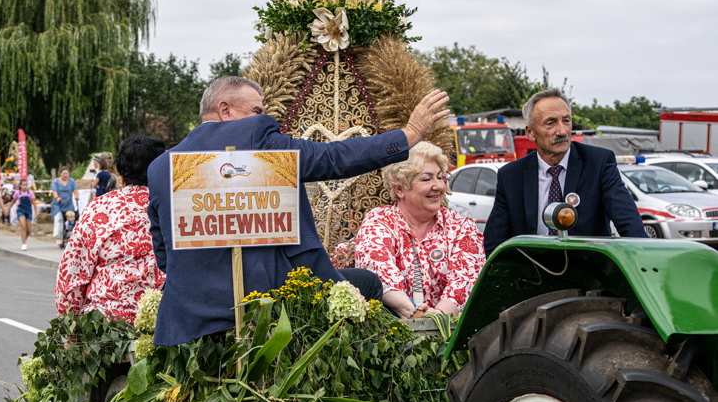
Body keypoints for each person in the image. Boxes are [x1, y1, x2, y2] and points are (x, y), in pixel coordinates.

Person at [147, 76, 450, 346]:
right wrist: (409, 134)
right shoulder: (254, 136)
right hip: (269, 312)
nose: (262, 116)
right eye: (256, 110)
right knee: (368, 282)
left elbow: (164, 258)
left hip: (188, 321)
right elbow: (333, 157)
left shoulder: (160, 168)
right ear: (225, 110)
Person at [483, 88, 646, 254]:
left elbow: (632, 229)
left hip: (587, 274)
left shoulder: (599, 164)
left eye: (566, 121)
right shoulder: (511, 176)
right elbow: (493, 246)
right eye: (550, 123)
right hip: (532, 275)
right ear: (530, 133)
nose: (561, 131)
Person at [355, 142, 486, 320]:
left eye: (441, 178)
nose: (439, 186)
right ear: (399, 188)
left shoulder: (461, 226)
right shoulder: (379, 222)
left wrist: (437, 318)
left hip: (451, 334)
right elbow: (379, 272)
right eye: (427, 179)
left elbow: (465, 281)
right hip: (393, 333)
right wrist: (412, 312)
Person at [56, 136, 167, 324]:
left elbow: (72, 274)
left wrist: (70, 327)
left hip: (106, 327)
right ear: (162, 170)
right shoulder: (175, 206)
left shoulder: (98, 209)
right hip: (165, 324)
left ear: (121, 176)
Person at [51, 167, 79, 247]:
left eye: (67, 173)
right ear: (60, 174)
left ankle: (67, 238)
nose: (65, 175)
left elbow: (75, 190)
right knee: (59, 220)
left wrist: (76, 196)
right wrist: (57, 198)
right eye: (64, 174)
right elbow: (54, 192)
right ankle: (59, 238)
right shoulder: (56, 182)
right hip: (59, 204)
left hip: (68, 204)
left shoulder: (72, 181)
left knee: (70, 221)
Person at [6, 179, 36, 251]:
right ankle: (23, 244)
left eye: (26, 185)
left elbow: (34, 203)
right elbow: (13, 201)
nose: (25, 186)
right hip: (20, 210)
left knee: (28, 229)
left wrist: (35, 213)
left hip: (28, 210)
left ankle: (24, 239)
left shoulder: (30, 193)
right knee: (23, 226)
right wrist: (8, 209)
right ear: (20, 185)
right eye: (23, 185)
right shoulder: (17, 193)